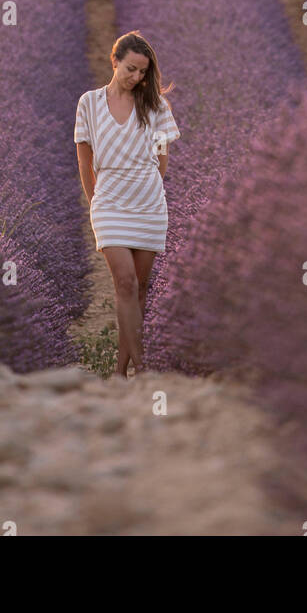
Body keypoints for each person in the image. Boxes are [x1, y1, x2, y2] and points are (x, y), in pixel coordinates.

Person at [74, 31, 179, 379]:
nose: (136, 77)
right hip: (109, 204)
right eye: (131, 68)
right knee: (125, 284)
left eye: (142, 72)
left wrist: (146, 184)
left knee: (140, 290)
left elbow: (162, 161)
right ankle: (143, 366)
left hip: (148, 203)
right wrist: (95, 204)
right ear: (115, 60)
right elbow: (85, 160)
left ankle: (121, 371)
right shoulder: (88, 103)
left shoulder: (156, 106)